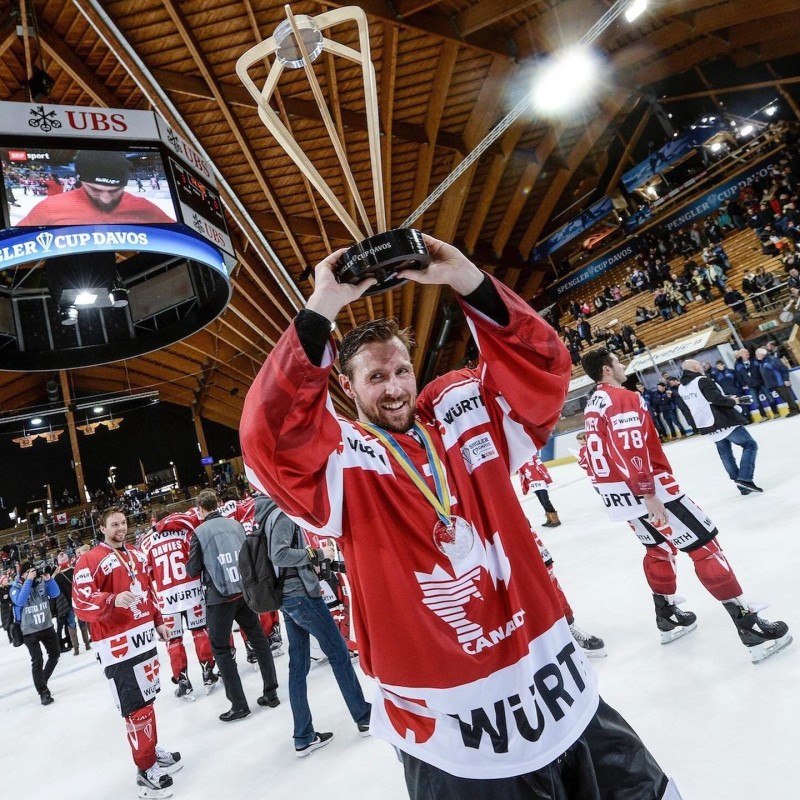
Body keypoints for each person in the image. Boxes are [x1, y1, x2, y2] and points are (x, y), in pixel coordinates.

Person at [240, 235, 681, 798]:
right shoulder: (339, 461)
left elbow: (544, 367)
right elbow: (270, 435)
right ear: (346, 386)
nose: (395, 389)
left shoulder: (462, 411)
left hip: (557, 687)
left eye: (401, 371)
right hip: (454, 733)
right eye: (376, 378)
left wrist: (466, 279)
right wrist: (323, 304)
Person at [580, 349, 791, 664]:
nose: (623, 365)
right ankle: (750, 627)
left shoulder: (593, 403)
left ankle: (667, 616)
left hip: (618, 494)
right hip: (651, 490)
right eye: (617, 361)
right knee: (706, 549)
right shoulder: (622, 397)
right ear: (607, 369)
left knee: (658, 549)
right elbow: (630, 444)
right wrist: (647, 491)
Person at [72, 507, 181, 799]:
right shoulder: (89, 560)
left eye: (123, 522)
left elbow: (148, 592)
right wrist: (111, 599)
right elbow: (81, 601)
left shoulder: (135, 554)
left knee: (147, 700)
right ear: (102, 528)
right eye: (114, 524)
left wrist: (158, 621)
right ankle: (145, 770)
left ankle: (150, 751)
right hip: (117, 646)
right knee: (135, 707)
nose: (121, 528)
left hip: (144, 640)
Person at [256, 493, 372, 756]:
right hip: (301, 597)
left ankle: (303, 736)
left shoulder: (266, 514)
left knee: (298, 666)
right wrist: (317, 553)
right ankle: (363, 716)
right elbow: (279, 554)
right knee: (339, 653)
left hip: (288, 596)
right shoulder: (282, 513)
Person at [186, 489, 279, 722]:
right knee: (259, 639)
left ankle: (239, 705)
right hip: (243, 591)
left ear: (200, 509)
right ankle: (271, 693)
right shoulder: (235, 525)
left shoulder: (199, 532)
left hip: (219, 598)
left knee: (221, 649)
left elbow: (192, 569)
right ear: (217, 504)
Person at [140, 509, 219, 702]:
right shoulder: (184, 532)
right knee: (200, 632)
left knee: (173, 640)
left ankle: (183, 682)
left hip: (167, 598)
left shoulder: (147, 542)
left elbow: (146, 575)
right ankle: (208, 672)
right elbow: (197, 559)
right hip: (192, 591)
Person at [17, 150, 175, 226]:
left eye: (115, 191)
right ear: (82, 181)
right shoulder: (49, 208)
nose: (106, 199)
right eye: (96, 189)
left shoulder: (144, 208)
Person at [676, 359, 761, 495]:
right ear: (695, 367)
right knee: (750, 444)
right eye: (699, 365)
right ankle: (745, 478)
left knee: (726, 455)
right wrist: (734, 401)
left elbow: (693, 405)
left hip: (706, 424)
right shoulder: (702, 380)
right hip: (722, 420)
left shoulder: (682, 387)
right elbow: (717, 399)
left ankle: (742, 486)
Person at [9, 561, 61, 704]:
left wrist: (48, 580)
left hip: (46, 625)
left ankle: (42, 680)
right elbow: (20, 601)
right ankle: (43, 691)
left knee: (55, 654)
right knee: (37, 660)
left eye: (34, 571)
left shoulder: (40, 582)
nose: (33, 574)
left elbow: (55, 593)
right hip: (29, 630)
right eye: (29, 572)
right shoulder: (15, 587)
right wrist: (28, 580)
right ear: (23, 574)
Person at [756, 346, 800, 416]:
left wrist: (786, 379)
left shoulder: (772, 359)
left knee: (787, 397)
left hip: (779, 382)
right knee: (785, 397)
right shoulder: (762, 362)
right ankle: (794, 409)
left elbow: (784, 369)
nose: (756, 356)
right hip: (774, 384)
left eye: (757, 354)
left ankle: (794, 410)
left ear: (762, 354)